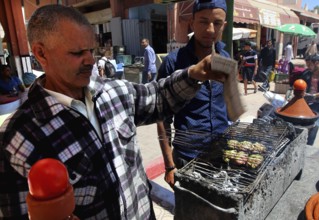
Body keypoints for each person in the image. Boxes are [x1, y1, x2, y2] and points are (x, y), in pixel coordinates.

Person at [0, 4, 228, 219]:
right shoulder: (17, 139)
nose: (90, 60)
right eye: (78, 52)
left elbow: (158, 98)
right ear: (41, 54)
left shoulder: (112, 91)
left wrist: (195, 73)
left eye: (91, 49)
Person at [156, 0, 230, 188]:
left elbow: (229, 105)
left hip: (221, 154)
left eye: (217, 23)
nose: (211, 30)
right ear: (192, 22)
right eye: (204, 21)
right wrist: (169, 166)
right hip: (187, 158)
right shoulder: (173, 63)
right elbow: (162, 119)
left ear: (224, 26)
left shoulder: (226, 59)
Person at [299, 54, 319, 149]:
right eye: (307, 64)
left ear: (317, 63)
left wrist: (314, 95)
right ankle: (308, 147)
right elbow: (300, 86)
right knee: (315, 126)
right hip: (312, 104)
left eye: (309, 65)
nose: (308, 67)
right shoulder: (306, 73)